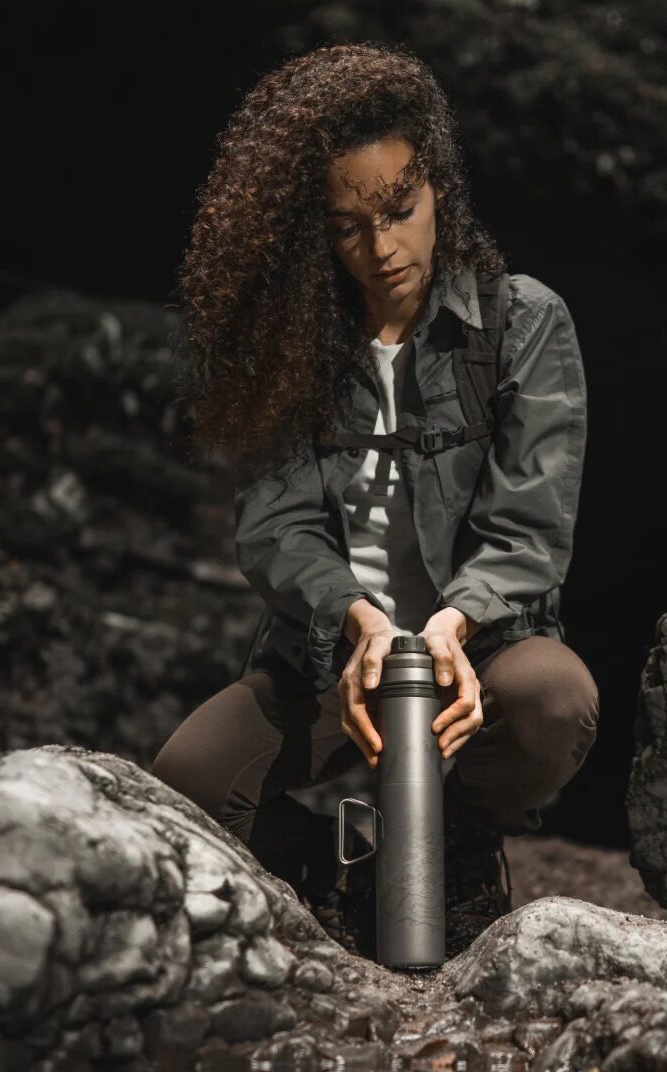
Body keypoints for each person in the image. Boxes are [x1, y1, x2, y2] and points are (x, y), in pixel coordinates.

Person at [152, 41, 600, 959]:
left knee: (556, 702)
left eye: (399, 210)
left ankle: (462, 845)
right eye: (348, 226)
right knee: (187, 779)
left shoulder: (522, 320)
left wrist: (456, 624)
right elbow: (273, 524)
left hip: (477, 651)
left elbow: (531, 523)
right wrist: (354, 618)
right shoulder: (294, 347)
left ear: (438, 185)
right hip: (330, 655)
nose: (382, 248)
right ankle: (333, 868)